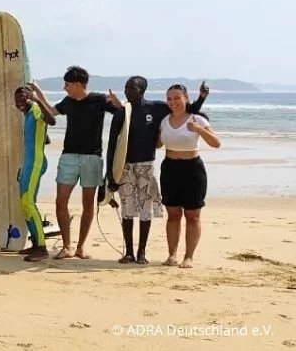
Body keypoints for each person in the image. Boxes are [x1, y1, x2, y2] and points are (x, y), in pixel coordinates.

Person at [105, 78, 208, 265]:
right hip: (125, 166)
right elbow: (112, 144)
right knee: (127, 210)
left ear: (142, 90)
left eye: (133, 88)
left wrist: (201, 98)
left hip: (146, 166)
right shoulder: (122, 112)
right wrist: (110, 175)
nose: (128, 91)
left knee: (146, 210)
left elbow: (185, 109)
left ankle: (141, 252)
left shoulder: (157, 108)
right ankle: (129, 252)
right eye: (126, 88)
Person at [34, 65, 119, 260]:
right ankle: (67, 246)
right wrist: (38, 94)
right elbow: (51, 112)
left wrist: (118, 103)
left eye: (67, 84)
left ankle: (81, 247)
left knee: (88, 203)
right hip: (69, 156)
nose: (65, 88)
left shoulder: (99, 100)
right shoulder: (68, 101)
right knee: (61, 200)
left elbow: (123, 115)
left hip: (92, 157)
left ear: (78, 84)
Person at [158, 84, 219, 268]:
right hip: (169, 168)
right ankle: (172, 255)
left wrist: (199, 129)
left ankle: (189, 257)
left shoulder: (197, 119)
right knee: (173, 215)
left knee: (193, 216)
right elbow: (157, 144)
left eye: (177, 98)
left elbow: (216, 143)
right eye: (169, 99)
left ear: (186, 98)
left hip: (192, 169)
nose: (173, 102)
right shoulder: (164, 120)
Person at [14, 84, 56, 262]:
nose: (20, 102)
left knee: (28, 203)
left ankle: (41, 248)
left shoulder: (37, 110)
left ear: (30, 97)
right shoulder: (28, 115)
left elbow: (51, 121)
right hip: (28, 164)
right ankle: (35, 242)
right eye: (17, 99)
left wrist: (38, 100)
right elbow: (42, 137)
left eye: (23, 97)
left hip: (35, 164)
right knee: (25, 204)